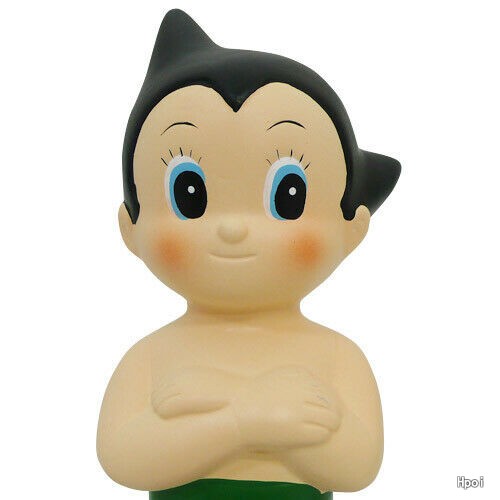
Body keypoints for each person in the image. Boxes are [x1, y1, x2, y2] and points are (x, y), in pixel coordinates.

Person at [97, 9, 400, 499]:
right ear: (131, 228)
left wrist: (233, 412)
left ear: (352, 228)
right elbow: (121, 457)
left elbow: (358, 467)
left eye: (288, 198)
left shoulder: (339, 356)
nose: (233, 228)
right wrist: (244, 420)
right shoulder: (150, 356)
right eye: (190, 194)